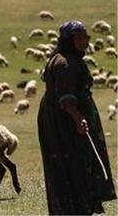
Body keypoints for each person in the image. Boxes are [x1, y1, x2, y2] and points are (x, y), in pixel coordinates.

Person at [37, 20, 116, 215]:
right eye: (78, 38)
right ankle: (76, 208)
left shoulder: (67, 59)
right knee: (74, 164)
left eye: (86, 37)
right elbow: (66, 98)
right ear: (67, 40)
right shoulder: (64, 63)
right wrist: (78, 119)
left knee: (72, 165)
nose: (84, 41)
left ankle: (76, 207)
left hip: (61, 122)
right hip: (65, 125)